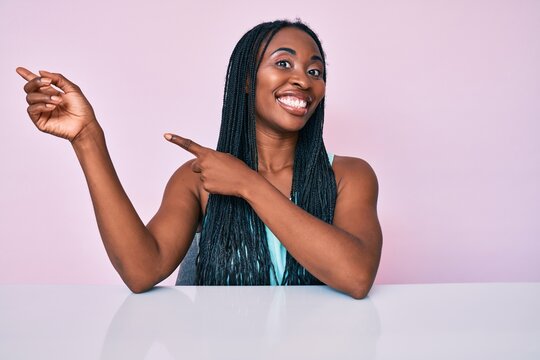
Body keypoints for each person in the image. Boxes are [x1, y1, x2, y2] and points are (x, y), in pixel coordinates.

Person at [16, 19, 382, 299]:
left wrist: (247, 183)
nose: (303, 79)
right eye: (284, 63)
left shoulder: (348, 175)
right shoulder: (198, 179)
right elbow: (142, 270)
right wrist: (87, 138)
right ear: (245, 80)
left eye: (315, 71)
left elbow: (356, 276)